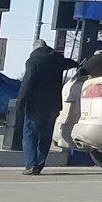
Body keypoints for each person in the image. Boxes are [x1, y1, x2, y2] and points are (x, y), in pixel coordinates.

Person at [19, 38, 77, 174]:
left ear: (34, 48)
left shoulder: (33, 61)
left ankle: (31, 165)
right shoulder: (57, 59)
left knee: (30, 135)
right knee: (46, 135)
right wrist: (79, 64)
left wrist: (20, 102)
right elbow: (70, 63)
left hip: (35, 105)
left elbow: (27, 82)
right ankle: (39, 164)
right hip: (53, 104)